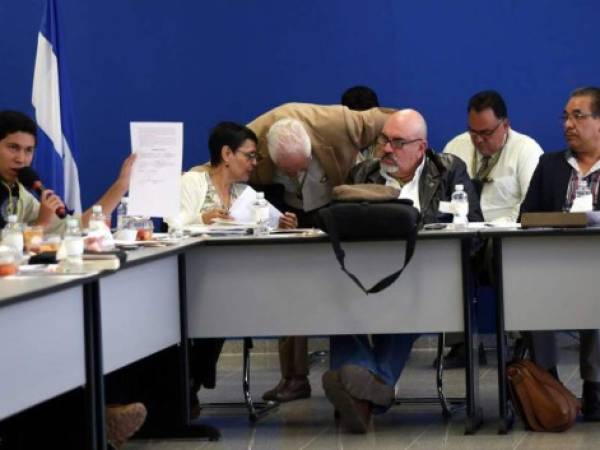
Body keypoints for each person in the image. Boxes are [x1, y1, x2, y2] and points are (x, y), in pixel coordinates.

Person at [321, 109, 483, 433]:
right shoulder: (363, 173)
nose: (386, 149)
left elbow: (474, 226)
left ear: (421, 148)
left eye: (397, 142)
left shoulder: (449, 170)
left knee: (408, 295)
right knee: (334, 303)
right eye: (383, 140)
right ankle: (372, 388)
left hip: (428, 276)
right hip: (364, 276)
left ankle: (362, 387)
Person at [0, 110, 144, 448]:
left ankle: (95, 417)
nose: (22, 158)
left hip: (19, 291)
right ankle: (89, 422)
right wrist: (39, 228)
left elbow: (74, 228)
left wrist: (119, 186)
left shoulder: (18, 192)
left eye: (28, 150)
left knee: (72, 334)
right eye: (12, 148)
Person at [246, 102, 393, 403]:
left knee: (350, 285)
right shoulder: (251, 138)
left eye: (302, 166)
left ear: (311, 147)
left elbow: (394, 119)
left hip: (338, 204)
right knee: (291, 288)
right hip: (290, 214)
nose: (298, 174)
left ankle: (361, 369)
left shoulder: (339, 122)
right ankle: (294, 378)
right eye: (289, 171)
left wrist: (384, 153)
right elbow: (220, 165)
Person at [166, 121, 298, 414]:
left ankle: (190, 385)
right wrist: (204, 219)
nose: (254, 163)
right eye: (249, 155)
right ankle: (187, 386)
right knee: (214, 307)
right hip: (191, 279)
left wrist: (282, 225)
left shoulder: (245, 194)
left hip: (234, 280)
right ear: (226, 154)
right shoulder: (192, 181)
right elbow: (172, 225)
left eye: (255, 157)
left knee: (224, 304)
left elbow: (259, 232)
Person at [440, 90, 543, 367]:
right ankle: (459, 342)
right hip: (463, 234)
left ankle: (523, 333)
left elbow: (531, 206)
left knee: (502, 256)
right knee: (446, 259)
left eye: (486, 133)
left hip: (507, 237)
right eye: (473, 132)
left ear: (505, 125)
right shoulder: (455, 148)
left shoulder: (526, 150)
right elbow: (438, 199)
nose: (479, 140)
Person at [520, 86, 600, 421]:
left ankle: (595, 387)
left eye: (578, 116)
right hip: (552, 265)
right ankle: (547, 386)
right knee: (528, 293)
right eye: (565, 117)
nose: (568, 124)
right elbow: (525, 217)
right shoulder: (550, 164)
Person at [341, 85, 381, 161]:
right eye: (355, 120)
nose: (361, 126)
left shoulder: (388, 142)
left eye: (366, 120)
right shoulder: (334, 142)